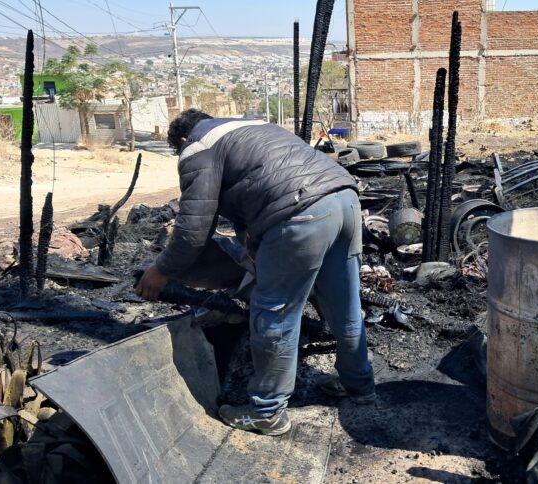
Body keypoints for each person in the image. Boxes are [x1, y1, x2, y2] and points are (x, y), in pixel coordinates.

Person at [135, 109, 375, 436]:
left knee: (275, 313)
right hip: (344, 198)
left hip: (301, 212)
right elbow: (253, 190)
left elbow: (193, 228)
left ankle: (267, 412)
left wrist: (160, 271)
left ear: (181, 139)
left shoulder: (198, 144)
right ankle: (360, 387)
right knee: (344, 305)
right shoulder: (253, 128)